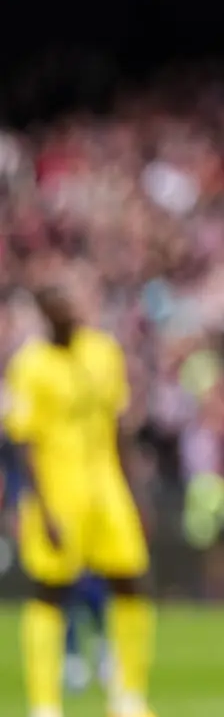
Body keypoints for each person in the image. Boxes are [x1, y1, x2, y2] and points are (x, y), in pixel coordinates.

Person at [5, 285, 156, 717]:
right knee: (50, 590)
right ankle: (45, 704)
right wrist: (42, 508)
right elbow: (25, 443)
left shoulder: (103, 353)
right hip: (58, 490)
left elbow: (118, 426)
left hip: (106, 484)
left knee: (130, 579)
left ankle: (128, 696)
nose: (69, 312)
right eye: (59, 306)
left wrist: (135, 492)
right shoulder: (31, 365)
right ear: (44, 314)